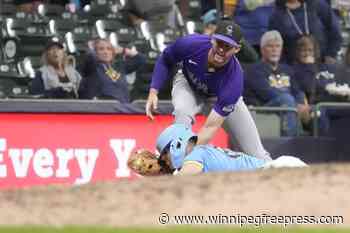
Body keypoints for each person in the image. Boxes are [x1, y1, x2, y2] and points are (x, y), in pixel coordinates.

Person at [145, 20, 271, 161]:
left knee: (257, 155)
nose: (221, 50)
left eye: (228, 46)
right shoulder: (191, 44)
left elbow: (209, 128)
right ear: (212, 39)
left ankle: (280, 178)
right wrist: (153, 91)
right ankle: (175, 168)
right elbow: (165, 60)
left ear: (237, 49)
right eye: (219, 43)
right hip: (188, 84)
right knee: (182, 113)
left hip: (217, 96)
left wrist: (185, 152)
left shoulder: (234, 80)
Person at [156, 124, 307, 175]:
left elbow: (181, 181)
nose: (165, 162)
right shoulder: (203, 150)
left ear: (176, 144)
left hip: (275, 171)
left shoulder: (195, 154)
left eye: (164, 156)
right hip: (276, 170)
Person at [244, 30, 309, 136]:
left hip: (290, 106)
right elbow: (267, 94)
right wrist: (296, 105)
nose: (274, 50)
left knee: (319, 110)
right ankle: (291, 141)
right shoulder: (255, 70)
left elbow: (297, 91)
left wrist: (301, 103)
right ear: (262, 49)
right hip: (264, 108)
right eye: (270, 46)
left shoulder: (287, 69)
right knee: (287, 100)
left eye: (277, 46)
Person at [269, 0, 342, 64]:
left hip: (323, 62)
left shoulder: (317, 4)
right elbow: (277, 46)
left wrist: (331, 54)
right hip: (294, 67)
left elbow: (334, 30)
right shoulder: (276, 15)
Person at [78, 39, 145, 102]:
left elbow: (140, 59)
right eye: (101, 49)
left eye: (109, 49)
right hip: (102, 108)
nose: (106, 52)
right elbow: (89, 58)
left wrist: (123, 50)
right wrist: (92, 49)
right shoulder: (92, 67)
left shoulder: (119, 66)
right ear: (95, 52)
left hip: (122, 108)